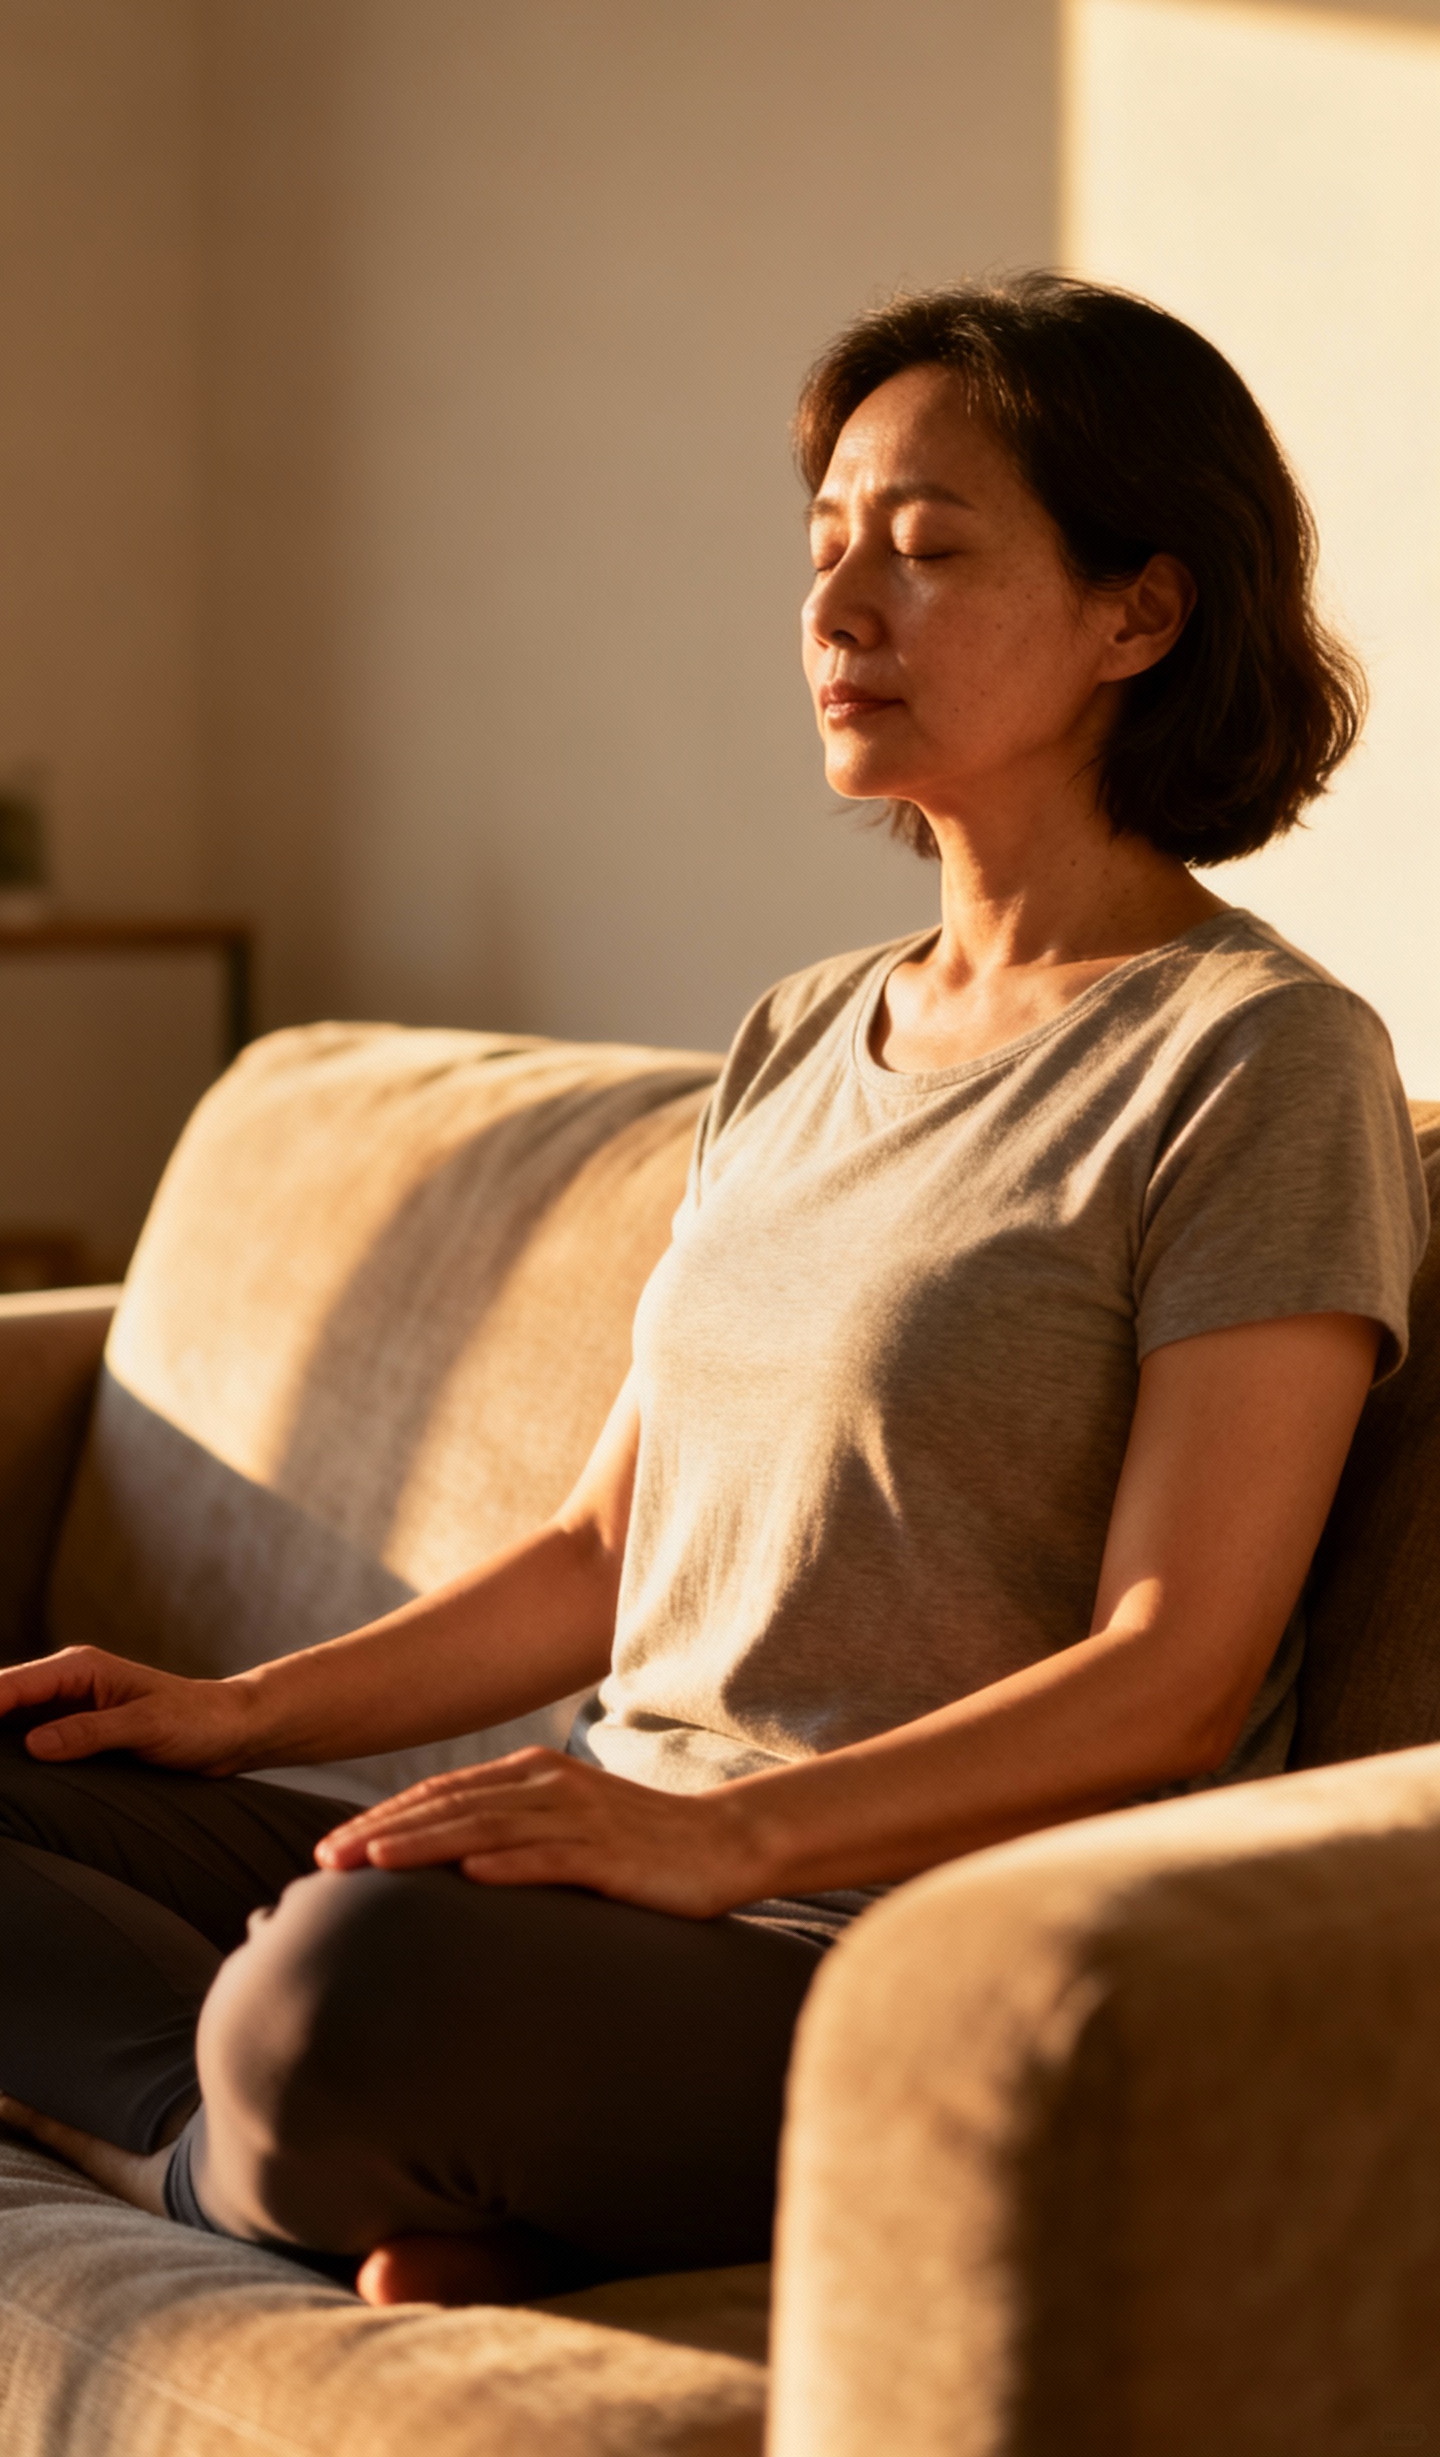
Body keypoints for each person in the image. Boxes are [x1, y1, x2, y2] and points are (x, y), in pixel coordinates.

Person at [0, 274, 1427, 2311]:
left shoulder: (1258, 1059)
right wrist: (232, 1715)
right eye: (828, 543)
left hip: (869, 1945)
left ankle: (205, 2128)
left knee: (338, 1984)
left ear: (1145, 610)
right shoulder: (802, 1030)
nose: (844, 607)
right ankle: (276, 2157)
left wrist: (725, 1846)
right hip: (601, 1882)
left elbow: (1174, 1668)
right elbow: (603, 1543)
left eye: (930, 550)